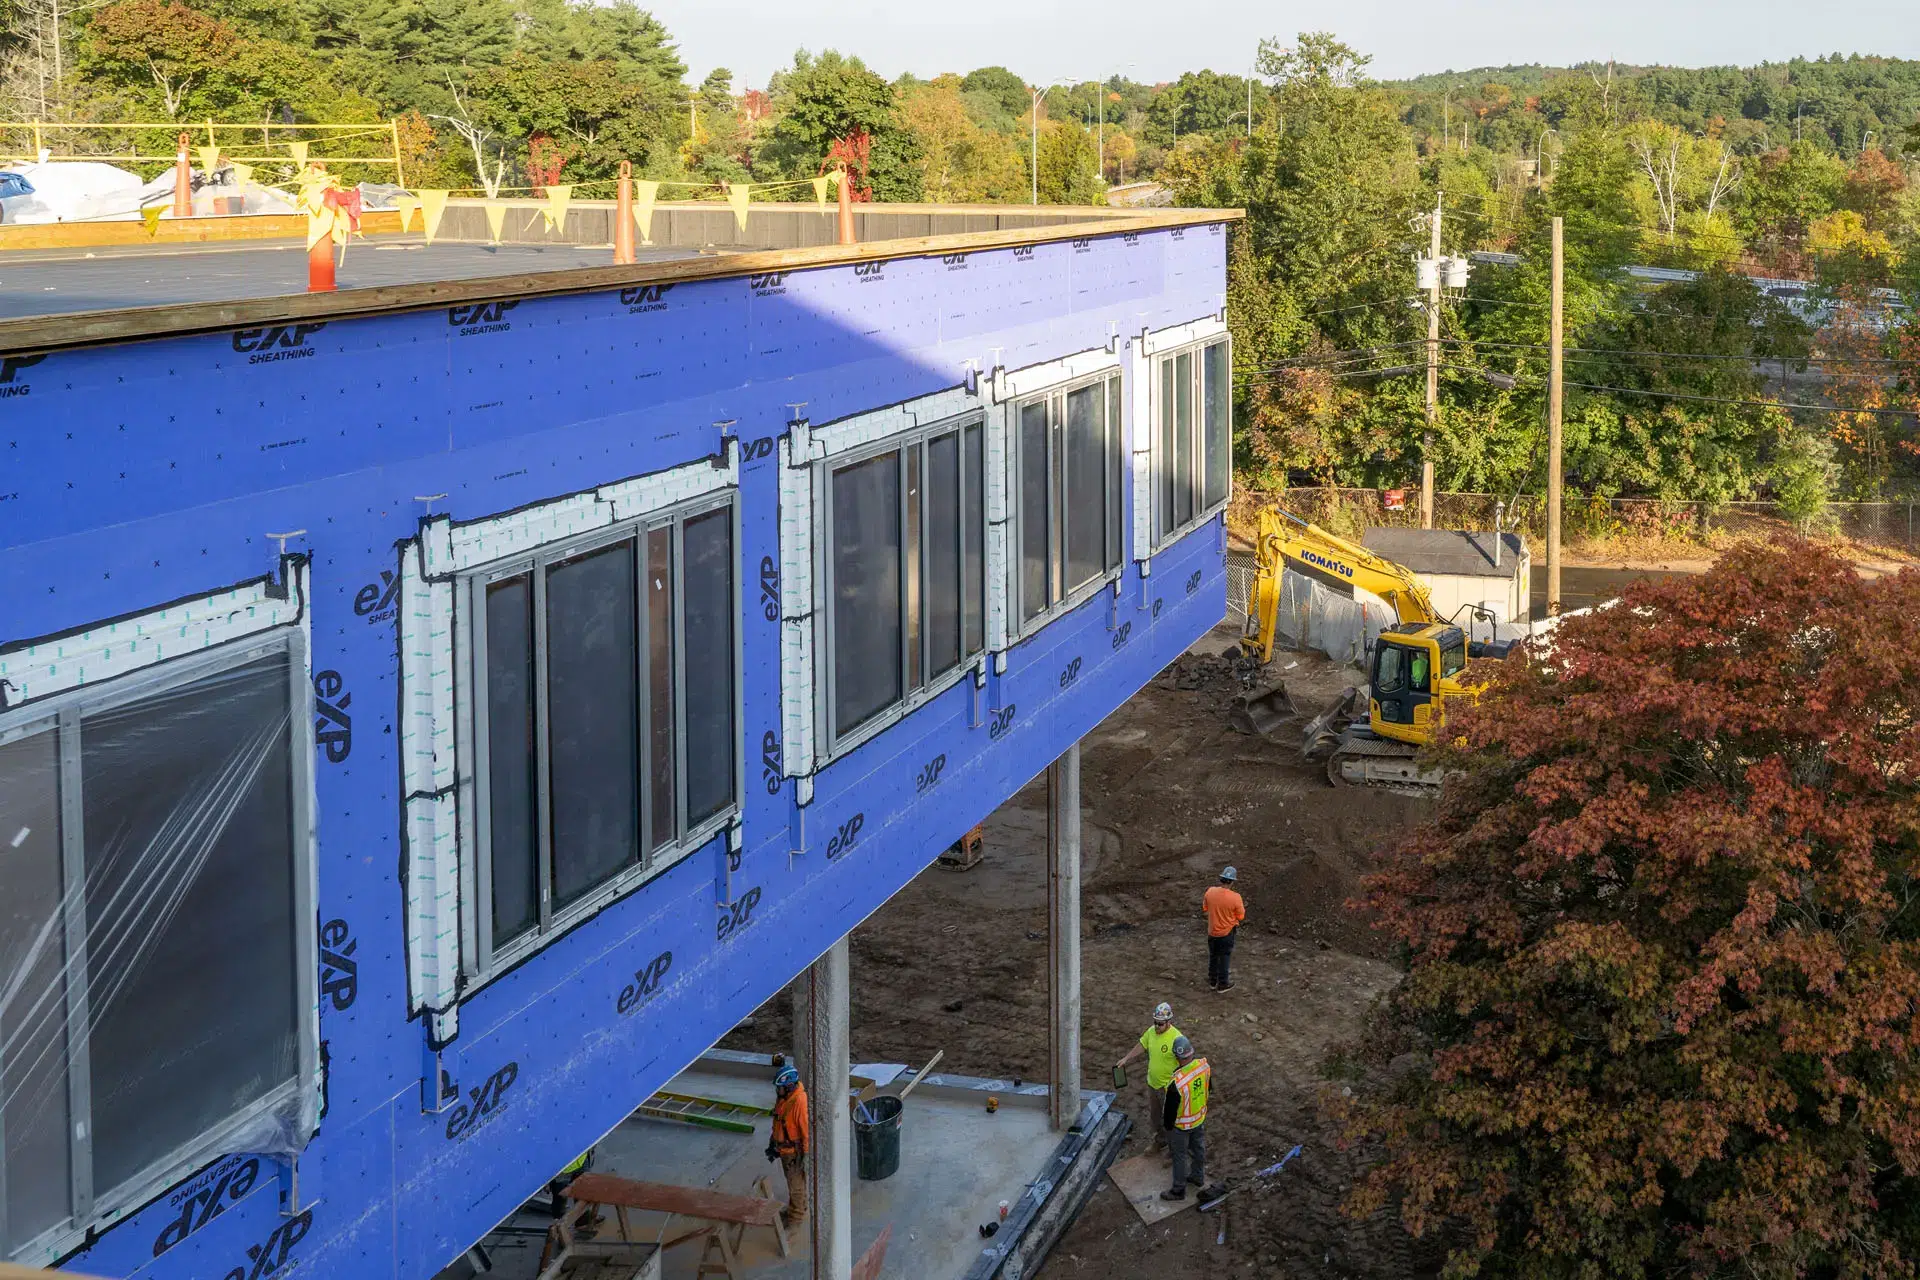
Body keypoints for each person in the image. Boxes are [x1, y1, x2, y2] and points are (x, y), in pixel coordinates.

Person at [1114, 1002, 1183, 1150]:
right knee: (1155, 1117)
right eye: (1155, 1023)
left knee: (1171, 1119)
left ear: (1169, 1022)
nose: (1157, 1027)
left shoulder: (1177, 1038)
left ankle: (1174, 1149)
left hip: (1169, 1088)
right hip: (1153, 1084)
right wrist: (1126, 1058)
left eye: (1160, 1024)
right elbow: (1142, 1044)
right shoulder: (1151, 1031)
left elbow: (1184, 1063)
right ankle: (1160, 1141)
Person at [1159, 1036, 1211, 1201]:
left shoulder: (1177, 1083)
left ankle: (1178, 1190)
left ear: (1176, 1057)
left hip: (1181, 1126)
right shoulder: (1204, 1067)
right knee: (1198, 1149)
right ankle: (1198, 1176)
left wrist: (1168, 1128)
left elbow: (1169, 1115)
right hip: (1199, 1118)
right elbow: (1209, 1087)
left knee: (1179, 1156)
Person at [766, 1064, 809, 1226]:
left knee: (796, 1186)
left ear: (789, 1086)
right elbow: (779, 1120)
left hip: (793, 1153)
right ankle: (795, 1209)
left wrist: (806, 1155)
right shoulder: (785, 1099)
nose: (777, 1091)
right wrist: (773, 1141)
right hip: (784, 1149)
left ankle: (795, 1219)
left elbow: (806, 1132)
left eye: (780, 1088)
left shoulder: (799, 1102)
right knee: (792, 1182)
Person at [1204, 866, 1246, 992]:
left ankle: (1212, 981)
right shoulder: (1235, 897)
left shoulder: (1210, 892)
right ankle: (1222, 984)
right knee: (1224, 957)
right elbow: (1241, 916)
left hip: (1212, 932)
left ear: (1221, 879)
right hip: (1226, 933)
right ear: (1232, 881)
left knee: (1213, 956)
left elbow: (1205, 908)